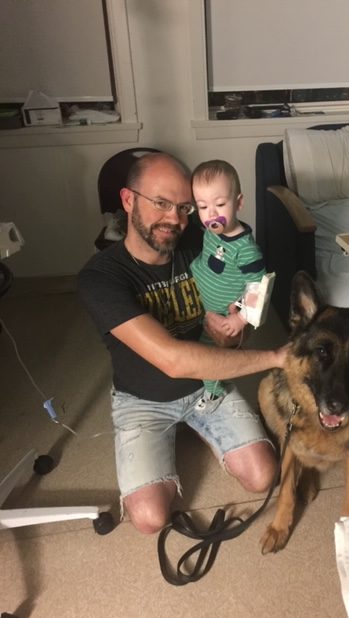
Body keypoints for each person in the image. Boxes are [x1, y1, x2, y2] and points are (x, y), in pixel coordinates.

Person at [78, 152, 286, 535]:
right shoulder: (101, 278)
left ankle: (201, 426)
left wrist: (235, 333)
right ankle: (170, 435)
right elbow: (174, 361)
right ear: (128, 200)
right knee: (149, 518)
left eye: (184, 207)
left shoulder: (203, 241)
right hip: (142, 400)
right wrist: (276, 356)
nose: (175, 219)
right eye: (161, 203)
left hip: (207, 386)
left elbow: (247, 303)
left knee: (263, 476)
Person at [190, 159, 266, 399]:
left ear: (239, 202)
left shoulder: (246, 250)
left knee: (209, 355)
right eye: (202, 206)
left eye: (220, 204)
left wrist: (241, 318)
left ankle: (214, 392)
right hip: (198, 295)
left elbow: (258, 287)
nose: (211, 214)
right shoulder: (210, 230)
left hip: (220, 312)